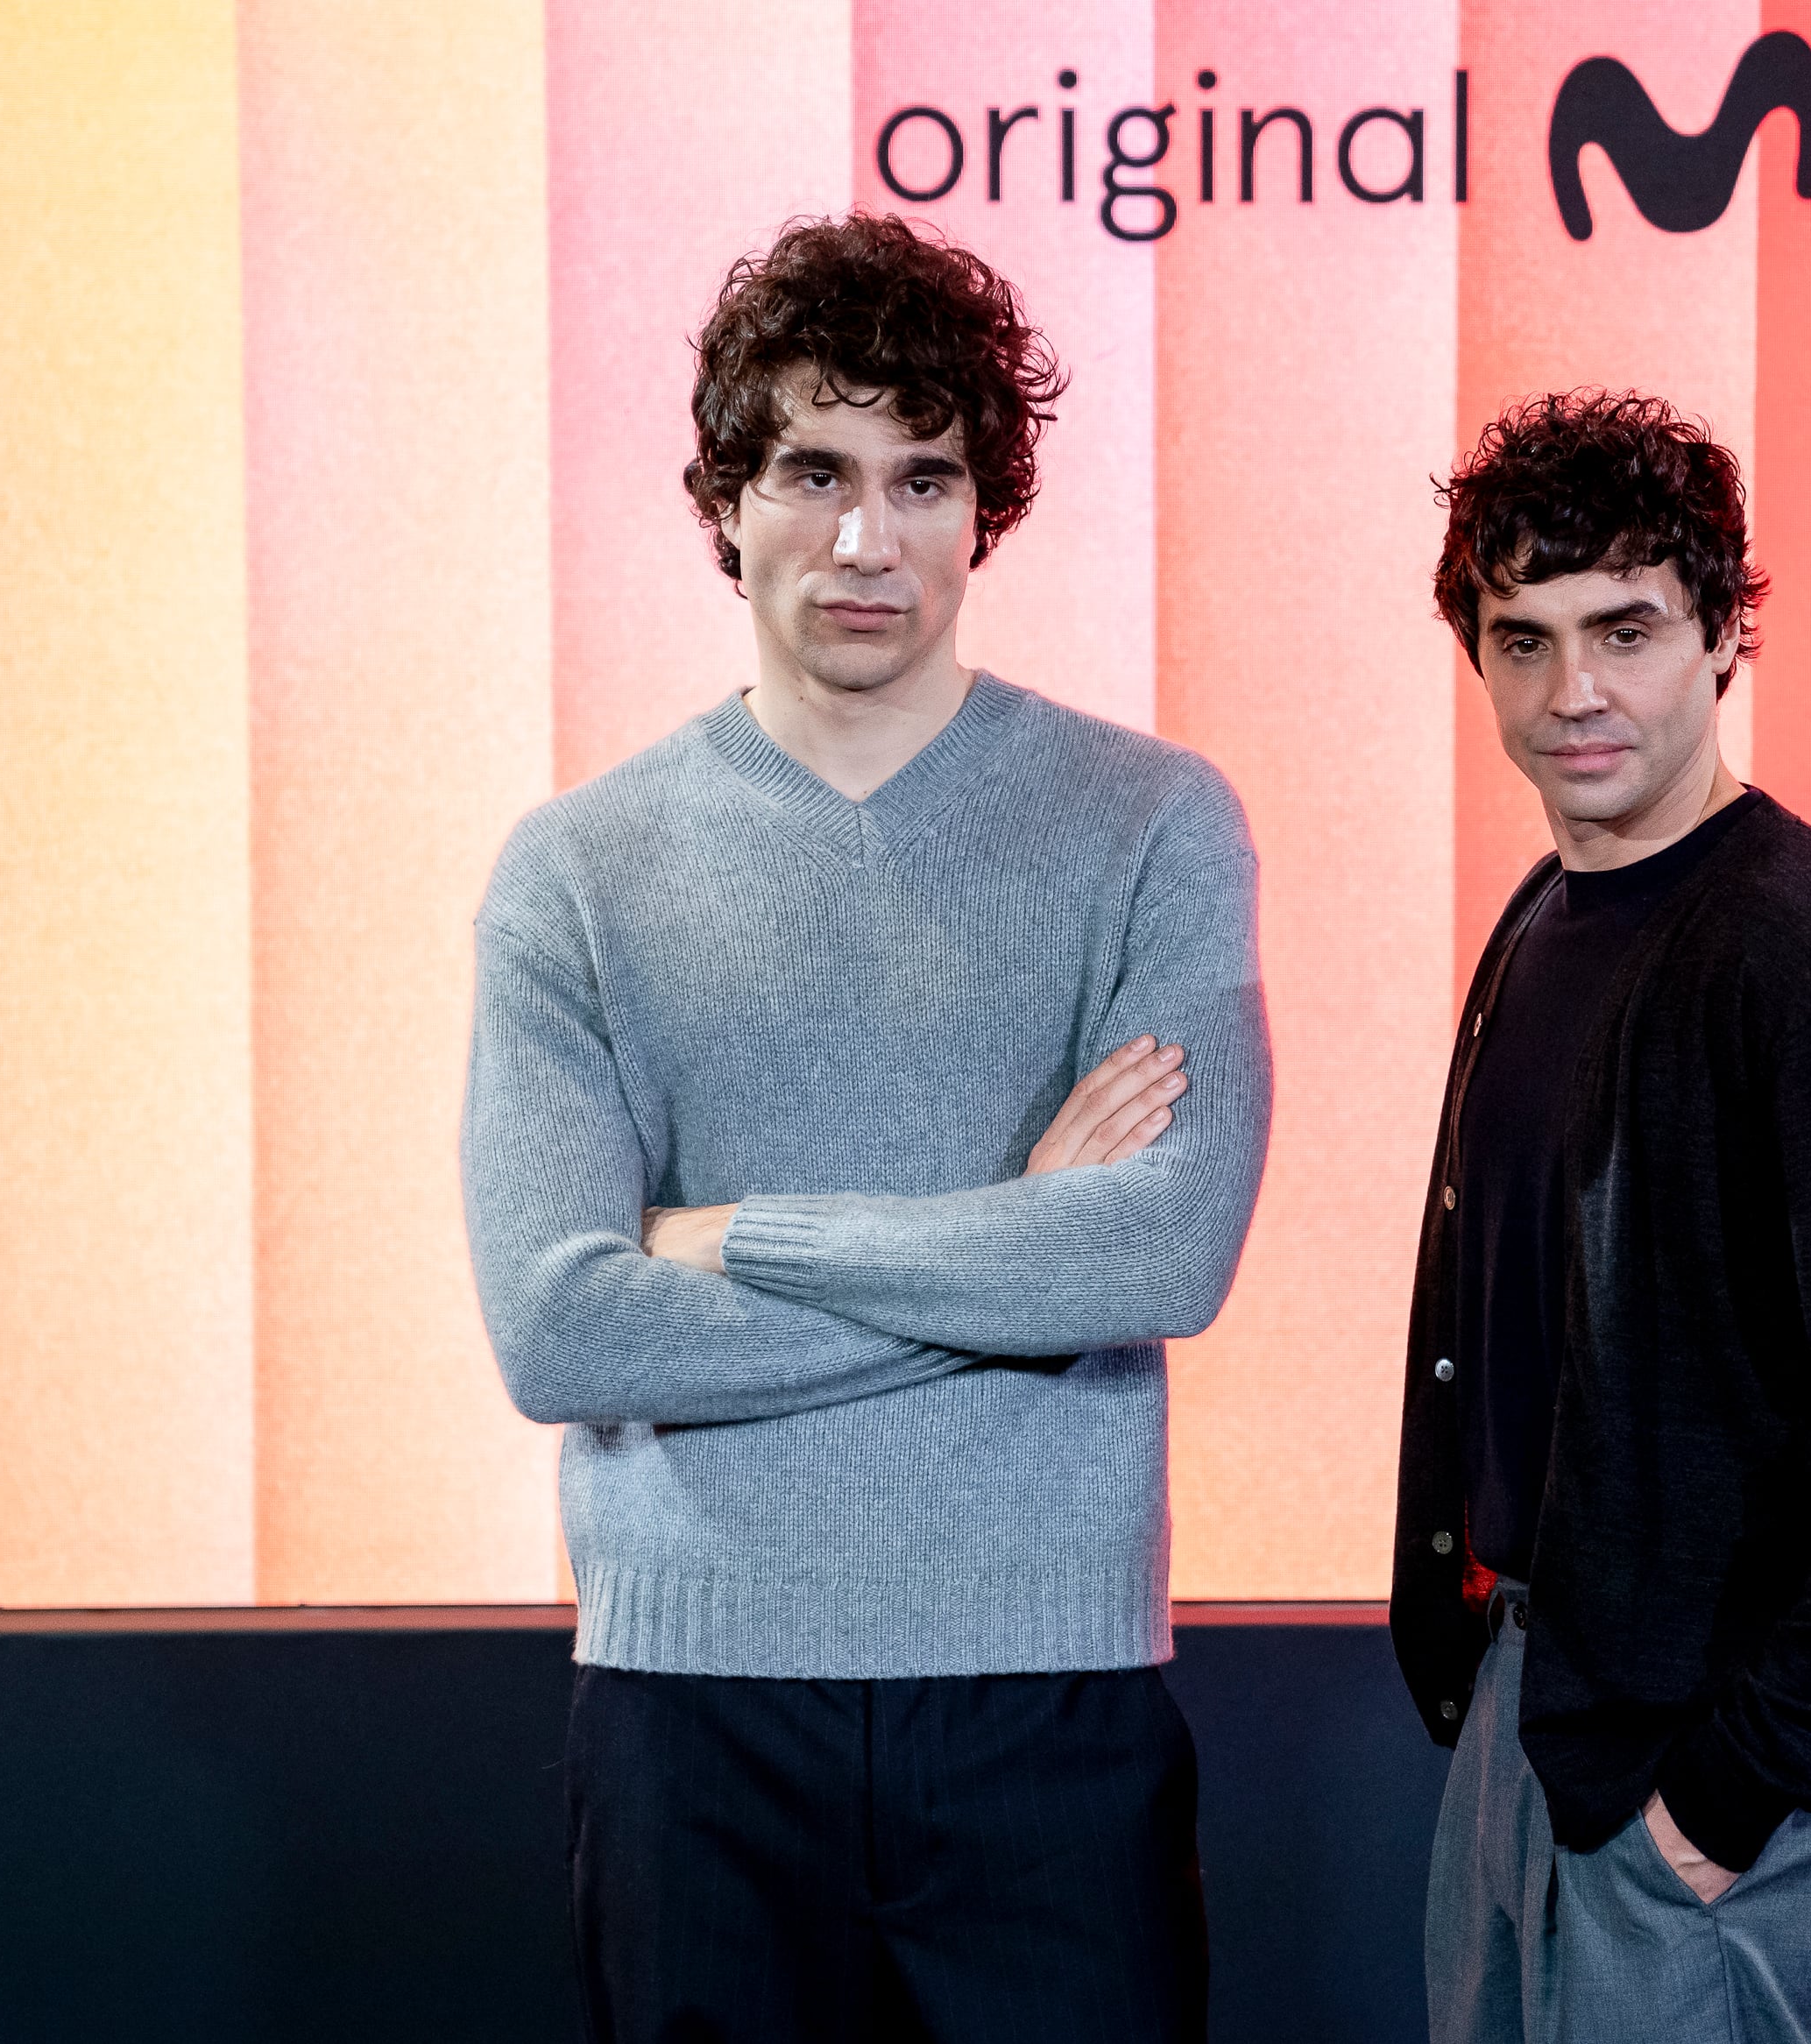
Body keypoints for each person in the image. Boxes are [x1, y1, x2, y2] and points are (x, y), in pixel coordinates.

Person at [462, 214, 1269, 2041]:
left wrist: (738, 1236)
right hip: (692, 1711)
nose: (864, 539)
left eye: (923, 478)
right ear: (725, 501)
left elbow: (1161, 1248)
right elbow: (559, 1326)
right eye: (812, 471)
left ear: (985, 509)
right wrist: (1011, 1241)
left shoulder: (1150, 822)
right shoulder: (577, 874)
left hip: (1048, 1696)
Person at [1394, 390, 1811, 2044]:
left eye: (1625, 628)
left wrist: (1733, 1789)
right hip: (1537, 1727)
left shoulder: (1803, 949)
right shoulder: (1545, 917)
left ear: (1721, 637)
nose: (1573, 692)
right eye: (1521, 640)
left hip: (1694, 1790)